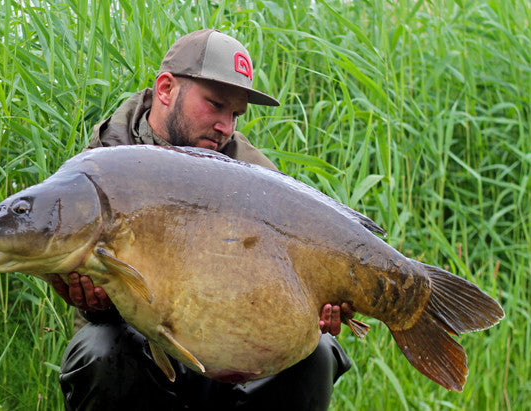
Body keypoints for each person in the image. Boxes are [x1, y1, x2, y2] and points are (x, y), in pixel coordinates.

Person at [52, 29, 353, 411]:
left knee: (318, 352)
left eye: (235, 114)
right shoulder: (104, 161)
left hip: (229, 348)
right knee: (99, 349)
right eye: (215, 105)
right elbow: (82, 288)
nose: (226, 125)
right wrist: (90, 297)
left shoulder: (252, 172)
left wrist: (314, 308)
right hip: (139, 345)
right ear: (166, 89)